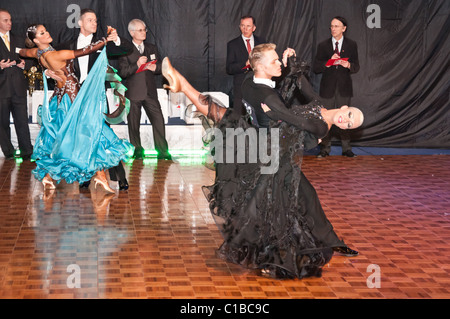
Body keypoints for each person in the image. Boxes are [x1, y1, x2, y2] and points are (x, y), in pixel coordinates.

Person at [161, 43, 364, 279]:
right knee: (276, 209)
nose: (345, 120)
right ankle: (270, 253)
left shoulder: (317, 123)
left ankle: (182, 83)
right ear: (345, 107)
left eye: (349, 124)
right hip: (271, 153)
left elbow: (301, 106)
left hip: (267, 146)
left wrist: (282, 95)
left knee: (301, 199)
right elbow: (300, 99)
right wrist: (288, 73)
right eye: (349, 115)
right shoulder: (309, 106)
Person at [19, 24, 133, 193]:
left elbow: (22, 52)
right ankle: (99, 176)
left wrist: (46, 70)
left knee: (68, 137)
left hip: (60, 97)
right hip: (74, 99)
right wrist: (105, 39)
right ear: (36, 40)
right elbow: (86, 50)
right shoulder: (57, 54)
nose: (48, 32)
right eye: (43, 33)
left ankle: (51, 176)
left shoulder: (38, 52)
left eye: (46, 30)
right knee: (91, 133)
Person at [56, 8, 134, 190]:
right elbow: (48, 56)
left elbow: (127, 49)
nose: (94, 23)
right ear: (80, 23)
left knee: (103, 133)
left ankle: (120, 176)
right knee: (82, 135)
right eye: (90, 20)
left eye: (95, 20)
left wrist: (117, 38)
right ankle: (85, 176)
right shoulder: (68, 45)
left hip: (96, 96)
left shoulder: (102, 44)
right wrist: (49, 70)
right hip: (76, 96)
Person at [118, 19, 171, 161]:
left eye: (144, 30)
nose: (144, 33)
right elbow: (122, 72)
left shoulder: (151, 48)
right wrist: (136, 64)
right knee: (133, 124)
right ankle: (137, 150)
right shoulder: (125, 50)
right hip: (134, 93)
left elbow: (160, 66)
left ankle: (162, 151)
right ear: (132, 32)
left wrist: (157, 68)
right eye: (140, 30)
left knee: (158, 121)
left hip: (150, 92)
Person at [313, 16, 360, 158]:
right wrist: (329, 62)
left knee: (345, 118)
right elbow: (315, 67)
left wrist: (349, 65)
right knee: (326, 118)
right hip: (327, 88)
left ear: (344, 28)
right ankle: (325, 149)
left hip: (344, 88)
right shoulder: (323, 45)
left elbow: (356, 66)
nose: (333, 29)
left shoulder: (351, 45)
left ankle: (346, 149)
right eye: (331, 26)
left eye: (336, 26)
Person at [0, 8, 33, 160]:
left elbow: (30, 59)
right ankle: (8, 151)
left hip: (18, 87)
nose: (9, 23)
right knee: (2, 122)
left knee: (22, 121)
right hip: (2, 88)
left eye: (10, 20)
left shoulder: (19, 39)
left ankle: (27, 151)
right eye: (5, 20)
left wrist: (24, 65)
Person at [226, 15, 265, 114]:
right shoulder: (232, 44)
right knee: (239, 120)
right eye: (242, 26)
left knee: (259, 119)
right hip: (241, 88)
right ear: (239, 27)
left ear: (254, 28)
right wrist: (245, 64)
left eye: (248, 26)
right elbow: (229, 69)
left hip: (259, 86)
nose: (245, 29)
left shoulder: (262, 42)